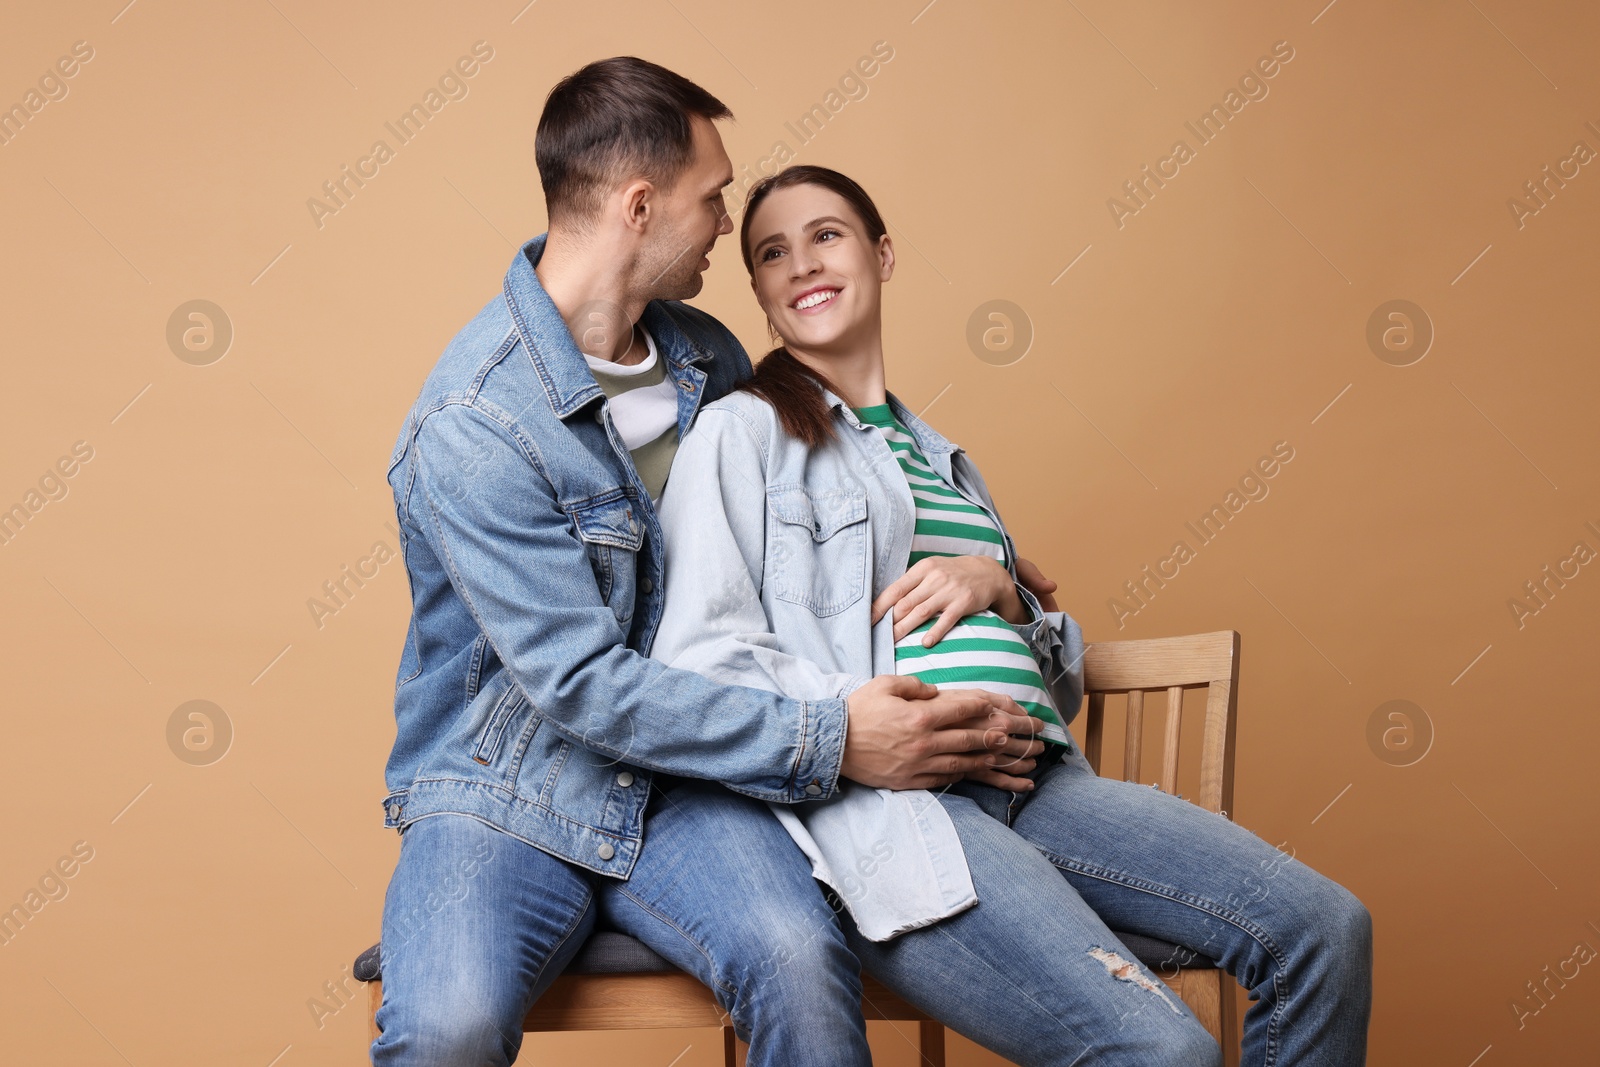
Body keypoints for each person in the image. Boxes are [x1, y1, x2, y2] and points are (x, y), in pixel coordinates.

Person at [371, 59, 1053, 1066]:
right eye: (714, 197)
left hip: (696, 786)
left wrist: (989, 573)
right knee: (446, 1028)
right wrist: (829, 735)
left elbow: (841, 524)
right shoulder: (475, 421)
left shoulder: (709, 358)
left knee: (796, 956)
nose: (728, 224)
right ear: (640, 206)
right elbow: (581, 686)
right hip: (509, 789)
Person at [646, 164, 1374, 1066]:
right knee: (1164, 1049)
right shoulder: (743, 432)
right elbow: (698, 654)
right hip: (908, 808)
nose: (801, 263)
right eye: (772, 251)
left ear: (882, 253)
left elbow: (1055, 687)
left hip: (1042, 785)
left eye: (826, 235)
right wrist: (866, 716)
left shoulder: (945, 461)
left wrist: (1005, 586)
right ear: (756, 289)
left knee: (1325, 931)